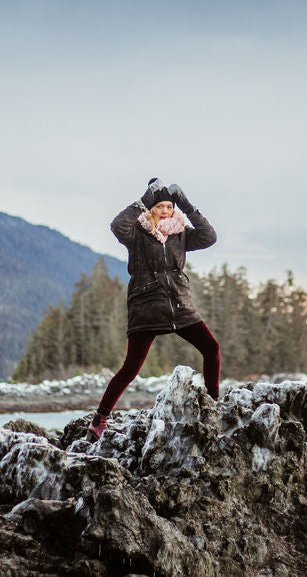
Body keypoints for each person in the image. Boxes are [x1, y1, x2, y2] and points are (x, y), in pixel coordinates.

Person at [87, 178, 220, 440]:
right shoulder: (137, 233)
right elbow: (117, 226)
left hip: (179, 306)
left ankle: (214, 406)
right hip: (146, 307)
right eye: (159, 206)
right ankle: (99, 419)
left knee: (211, 348)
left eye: (169, 207)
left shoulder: (181, 234)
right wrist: (145, 199)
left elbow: (209, 237)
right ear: (150, 208)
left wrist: (186, 204)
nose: (165, 211)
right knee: (131, 368)